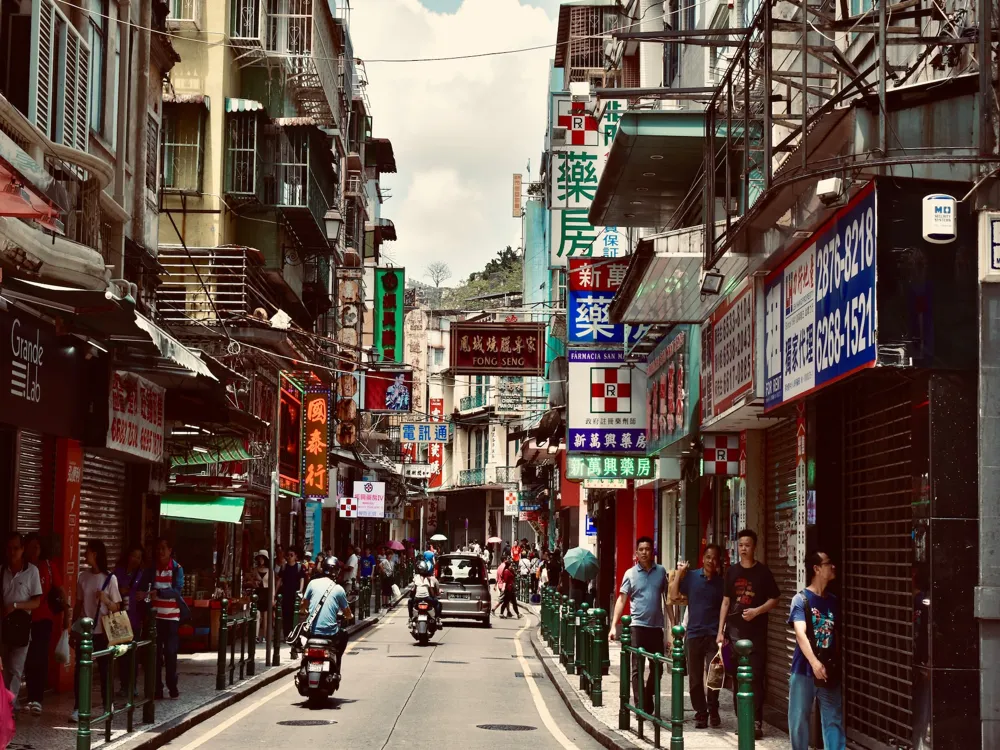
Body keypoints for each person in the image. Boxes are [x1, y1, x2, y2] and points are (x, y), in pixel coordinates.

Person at [717, 529, 780, 740]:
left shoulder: (763, 573)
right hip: (733, 633)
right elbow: (726, 601)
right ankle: (741, 719)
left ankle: (755, 721)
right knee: (737, 679)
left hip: (756, 635)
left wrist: (757, 611)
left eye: (748, 545)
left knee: (755, 678)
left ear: (754, 547)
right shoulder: (731, 572)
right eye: (741, 545)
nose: (744, 548)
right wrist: (720, 632)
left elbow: (775, 599)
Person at [788, 551, 844, 750]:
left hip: (828, 669)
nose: (833, 567)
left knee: (833, 719)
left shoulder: (833, 601)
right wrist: (814, 662)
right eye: (829, 564)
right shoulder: (801, 600)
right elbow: (800, 633)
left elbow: (836, 634)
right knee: (799, 721)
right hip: (804, 670)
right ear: (817, 569)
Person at [610, 536, 668, 716]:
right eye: (641, 549)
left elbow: (668, 600)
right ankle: (640, 705)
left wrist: (673, 626)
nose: (644, 552)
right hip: (637, 626)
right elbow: (621, 600)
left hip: (656, 628)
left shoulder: (661, 572)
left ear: (653, 552)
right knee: (637, 668)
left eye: (648, 549)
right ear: (636, 553)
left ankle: (647, 695)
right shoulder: (630, 574)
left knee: (657, 668)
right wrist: (613, 626)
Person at [670, 543, 725, 729]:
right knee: (694, 679)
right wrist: (679, 573)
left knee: (714, 676)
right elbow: (674, 594)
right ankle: (701, 713)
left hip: (713, 635)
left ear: (719, 561)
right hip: (693, 634)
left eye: (715, 558)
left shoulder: (721, 583)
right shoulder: (692, 577)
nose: (711, 561)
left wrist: (721, 633)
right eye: (708, 557)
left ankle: (713, 708)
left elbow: (725, 607)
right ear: (703, 558)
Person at [71, 540, 122, 722]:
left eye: (88, 552)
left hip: (103, 631)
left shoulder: (110, 579)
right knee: (80, 670)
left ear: (96, 554)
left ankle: (107, 705)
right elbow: (78, 604)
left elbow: (116, 607)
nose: (86, 555)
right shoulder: (82, 577)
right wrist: (72, 627)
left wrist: (105, 599)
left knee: (105, 670)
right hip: (85, 632)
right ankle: (78, 708)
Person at [23, 533, 65, 715]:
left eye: (37, 547)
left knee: (39, 658)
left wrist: (68, 614)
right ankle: (27, 696)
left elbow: (61, 590)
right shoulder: (22, 567)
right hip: (24, 620)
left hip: (44, 619)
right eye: (31, 546)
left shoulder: (48, 566)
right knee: (26, 658)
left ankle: (37, 698)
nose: (34, 550)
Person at [1, 533, 42, 707]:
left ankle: (10, 705)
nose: (12, 552)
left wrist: (16, 605)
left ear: (23, 549)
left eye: (16, 548)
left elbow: (36, 602)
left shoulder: (32, 571)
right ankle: (7, 702)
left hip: (22, 625)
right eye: (9, 548)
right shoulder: (2, 570)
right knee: (5, 668)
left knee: (16, 668)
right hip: (4, 625)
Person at [299, 558, 352, 679]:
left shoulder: (312, 583)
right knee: (344, 635)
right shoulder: (339, 589)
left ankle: (303, 666)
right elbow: (347, 612)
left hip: (312, 632)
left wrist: (303, 611)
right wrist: (349, 616)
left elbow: (303, 605)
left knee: (304, 645)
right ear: (337, 572)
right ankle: (337, 662)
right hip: (330, 633)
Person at [146, 537, 185, 701]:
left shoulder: (177, 569)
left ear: (170, 551)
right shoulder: (151, 568)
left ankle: (172, 686)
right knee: (155, 654)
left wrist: (160, 593)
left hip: (171, 618)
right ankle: (157, 689)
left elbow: (177, 591)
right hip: (155, 619)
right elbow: (144, 586)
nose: (160, 552)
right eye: (158, 548)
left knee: (170, 653)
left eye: (164, 548)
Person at [113, 544, 147, 696]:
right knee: (121, 653)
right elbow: (110, 590)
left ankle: (132, 685)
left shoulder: (142, 574)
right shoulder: (118, 572)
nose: (135, 560)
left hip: (135, 619)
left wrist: (144, 595)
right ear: (127, 555)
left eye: (139, 557)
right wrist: (119, 591)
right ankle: (123, 685)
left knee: (133, 653)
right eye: (133, 555)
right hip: (119, 619)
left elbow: (147, 594)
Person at [278, 549, 305, 637]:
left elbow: (302, 579)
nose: (289, 557)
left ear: (296, 557)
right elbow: (279, 580)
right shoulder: (284, 567)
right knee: (286, 615)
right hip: (286, 594)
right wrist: (275, 592)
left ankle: (294, 633)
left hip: (295, 595)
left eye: (291, 555)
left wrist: (300, 591)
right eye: (288, 555)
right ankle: (286, 634)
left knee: (295, 614)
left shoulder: (299, 567)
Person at [408, 560, 442, 625]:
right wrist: (434, 596)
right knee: (437, 603)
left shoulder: (416, 578)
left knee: (410, 602)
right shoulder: (429, 579)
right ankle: (437, 618)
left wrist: (412, 595)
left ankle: (410, 618)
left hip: (417, 598)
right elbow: (431, 591)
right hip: (427, 598)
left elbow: (414, 589)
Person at [252, 551, 272, 642]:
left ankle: (264, 636)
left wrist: (273, 597)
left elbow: (273, 585)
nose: (261, 560)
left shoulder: (270, 570)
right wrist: (254, 582)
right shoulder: (256, 569)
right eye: (259, 558)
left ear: (266, 559)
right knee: (257, 614)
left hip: (267, 592)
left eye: (262, 558)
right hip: (258, 593)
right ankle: (255, 636)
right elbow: (252, 580)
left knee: (266, 616)